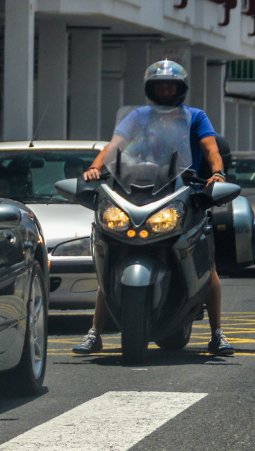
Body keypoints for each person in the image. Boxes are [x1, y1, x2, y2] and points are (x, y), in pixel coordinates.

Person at [73, 59, 234, 356]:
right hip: (137, 194)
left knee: (207, 265)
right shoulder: (137, 117)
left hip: (184, 194)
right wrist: (95, 169)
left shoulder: (195, 117)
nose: (165, 89)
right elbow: (114, 146)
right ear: (151, 88)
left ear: (180, 88)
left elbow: (210, 149)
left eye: (170, 85)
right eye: (160, 85)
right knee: (113, 252)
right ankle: (94, 332)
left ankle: (217, 334)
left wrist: (217, 174)